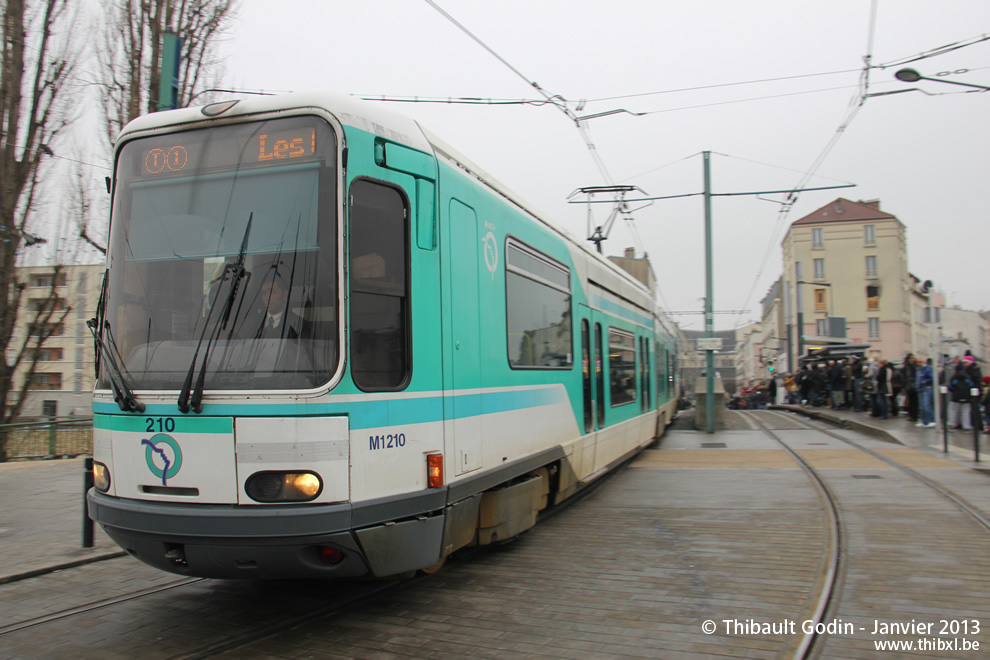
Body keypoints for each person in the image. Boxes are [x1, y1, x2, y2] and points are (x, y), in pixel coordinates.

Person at [948, 362, 975, 431]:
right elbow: (971, 385)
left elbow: (950, 387)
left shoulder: (954, 377)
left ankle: (952, 425)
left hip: (956, 397)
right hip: (966, 397)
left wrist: (954, 391)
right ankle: (966, 427)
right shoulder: (967, 376)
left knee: (953, 411)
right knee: (966, 412)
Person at [916, 357, 935, 427]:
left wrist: (924, 382)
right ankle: (924, 421)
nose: (919, 364)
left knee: (927, 405)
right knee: (922, 406)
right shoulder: (918, 370)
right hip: (920, 389)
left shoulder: (927, 369)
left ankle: (933, 420)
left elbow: (931, 378)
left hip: (926, 388)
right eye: (918, 362)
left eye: (921, 362)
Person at [903, 354, 919, 423]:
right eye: (911, 358)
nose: (912, 359)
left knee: (915, 402)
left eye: (913, 358)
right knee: (910, 401)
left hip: (914, 386)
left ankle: (914, 416)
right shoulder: (906, 367)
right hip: (909, 386)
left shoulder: (915, 367)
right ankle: (912, 415)